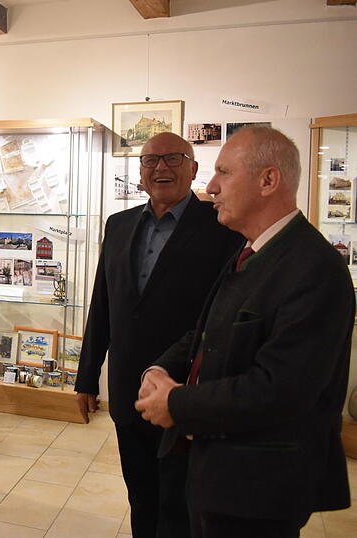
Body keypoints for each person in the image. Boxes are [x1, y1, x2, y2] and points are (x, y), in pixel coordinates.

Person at [136, 126, 354, 537]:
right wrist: (157, 371)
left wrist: (178, 403)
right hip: (219, 470)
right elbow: (203, 333)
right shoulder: (251, 250)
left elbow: (281, 389)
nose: (212, 187)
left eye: (223, 172)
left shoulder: (313, 267)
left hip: (259, 485)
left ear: (268, 180)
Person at [74, 132, 243, 538]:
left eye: (172, 158)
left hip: (184, 390)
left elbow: (221, 316)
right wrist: (86, 377)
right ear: (140, 171)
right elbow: (103, 305)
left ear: (193, 168)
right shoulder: (119, 225)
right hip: (128, 389)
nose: (160, 168)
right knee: (141, 495)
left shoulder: (222, 229)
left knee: (179, 505)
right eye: (150, 160)